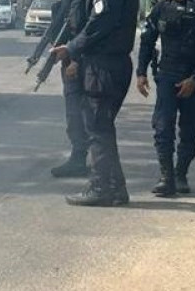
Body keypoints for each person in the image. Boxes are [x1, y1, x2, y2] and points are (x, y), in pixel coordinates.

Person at [51, 0, 141, 207]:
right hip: (107, 64)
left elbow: (100, 21)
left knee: (97, 129)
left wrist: (72, 47)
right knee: (103, 130)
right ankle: (116, 187)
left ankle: (100, 189)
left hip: (104, 67)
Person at [135, 0, 195, 196]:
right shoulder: (161, 8)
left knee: (191, 129)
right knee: (163, 126)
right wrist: (141, 72)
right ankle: (166, 177)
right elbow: (147, 39)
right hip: (167, 75)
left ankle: (180, 174)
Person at [48, 0, 90, 178]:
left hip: (84, 63)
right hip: (69, 63)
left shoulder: (84, 4)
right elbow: (57, 33)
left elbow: (90, 33)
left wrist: (76, 60)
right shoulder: (61, 6)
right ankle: (78, 156)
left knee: (86, 115)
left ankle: (82, 159)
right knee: (73, 114)